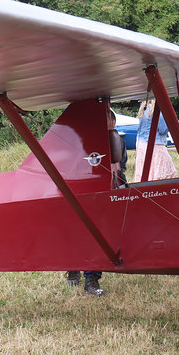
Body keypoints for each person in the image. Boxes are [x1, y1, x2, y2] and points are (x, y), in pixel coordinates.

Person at [66, 105, 124, 296]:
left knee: (100, 236)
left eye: (108, 122)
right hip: (82, 195)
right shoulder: (79, 144)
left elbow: (120, 169)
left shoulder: (117, 141)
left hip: (105, 196)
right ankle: (73, 268)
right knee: (79, 233)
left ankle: (91, 278)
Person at [133, 101, 178, 182]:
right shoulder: (157, 110)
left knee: (146, 171)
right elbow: (163, 129)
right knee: (163, 170)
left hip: (141, 144)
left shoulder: (143, 108)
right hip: (155, 144)